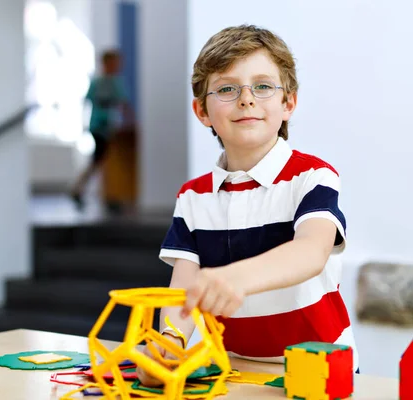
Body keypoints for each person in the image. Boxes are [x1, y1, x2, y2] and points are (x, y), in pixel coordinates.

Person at [137, 24, 358, 386]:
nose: (246, 98)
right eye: (226, 88)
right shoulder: (192, 197)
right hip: (234, 372)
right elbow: (183, 292)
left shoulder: (313, 176)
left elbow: (311, 251)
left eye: (263, 86)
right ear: (202, 111)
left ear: (288, 103)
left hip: (318, 371)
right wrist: (169, 344)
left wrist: (235, 278)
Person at [71, 49, 135, 209]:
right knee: (100, 160)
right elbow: (91, 100)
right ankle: (83, 190)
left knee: (101, 160)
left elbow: (123, 103)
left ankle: (89, 191)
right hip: (99, 127)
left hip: (108, 126)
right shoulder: (100, 82)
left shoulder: (114, 82)